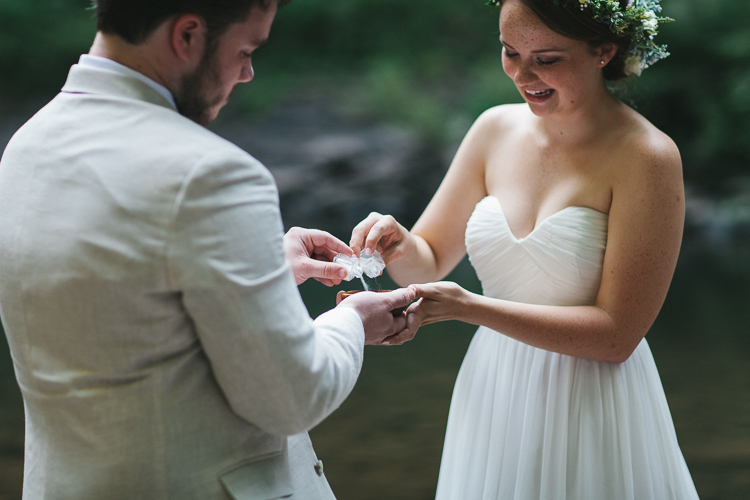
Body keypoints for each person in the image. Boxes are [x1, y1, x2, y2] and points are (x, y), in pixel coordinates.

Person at [0, 0, 419, 498]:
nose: (247, 73)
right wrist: (352, 321)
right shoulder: (210, 172)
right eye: (244, 49)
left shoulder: (26, 147)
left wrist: (262, 273)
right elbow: (291, 398)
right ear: (188, 36)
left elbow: (123, 315)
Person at [349, 0, 700, 498]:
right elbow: (425, 259)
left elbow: (617, 336)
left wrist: (470, 308)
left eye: (547, 59)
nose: (523, 74)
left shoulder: (647, 157)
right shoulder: (494, 129)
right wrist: (398, 243)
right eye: (510, 52)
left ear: (604, 50)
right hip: (494, 386)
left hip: (590, 397)